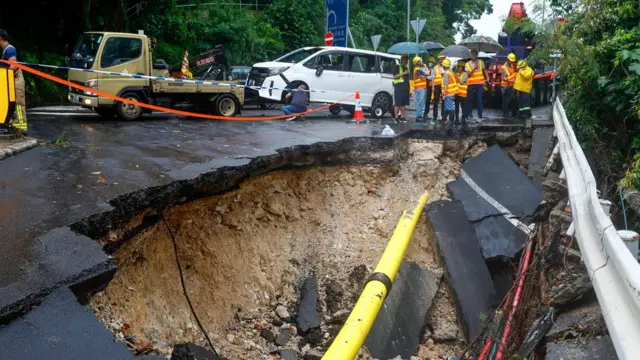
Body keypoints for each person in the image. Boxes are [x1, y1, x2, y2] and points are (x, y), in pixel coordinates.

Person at [0, 29, 27, 135]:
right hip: (10, 81)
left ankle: (21, 128)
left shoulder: (10, 49)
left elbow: (14, 65)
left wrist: (5, 74)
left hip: (16, 80)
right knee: (11, 104)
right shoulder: (5, 50)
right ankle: (14, 126)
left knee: (19, 104)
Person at [464, 49, 489, 123]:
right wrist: (474, 68)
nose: (473, 55)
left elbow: (485, 70)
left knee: (479, 100)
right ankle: (468, 114)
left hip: (480, 84)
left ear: (477, 54)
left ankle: (480, 116)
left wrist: (487, 78)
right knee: (469, 100)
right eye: (472, 54)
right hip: (471, 84)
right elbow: (468, 74)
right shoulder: (467, 64)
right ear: (470, 55)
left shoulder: (481, 62)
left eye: (474, 54)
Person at [393, 55, 410, 122]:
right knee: (398, 103)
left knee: (403, 103)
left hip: (405, 88)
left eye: (407, 60)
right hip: (399, 88)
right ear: (402, 60)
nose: (406, 61)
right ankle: (396, 117)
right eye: (405, 60)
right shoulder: (397, 67)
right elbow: (395, 76)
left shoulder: (406, 68)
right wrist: (403, 73)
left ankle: (402, 117)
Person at [441, 58, 459, 124]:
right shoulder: (450, 72)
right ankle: (443, 120)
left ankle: (451, 121)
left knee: (450, 107)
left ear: (444, 66)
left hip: (449, 93)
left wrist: (444, 94)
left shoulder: (446, 73)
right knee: (447, 107)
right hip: (452, 93)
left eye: (443, 65)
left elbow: (445, 85)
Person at [501, 53, 518, 118]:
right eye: (512, 61)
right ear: (508, 60)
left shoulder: (512, 65)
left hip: (512, 86)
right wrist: (510, 80)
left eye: (513, 61)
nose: (513, 62)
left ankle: (514, 114)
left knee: (513, 100)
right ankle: (505, 114)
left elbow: (514, 73)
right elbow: (503, 78)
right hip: (506, 86)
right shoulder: (503, 68)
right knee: (506, 101)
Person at [430, 55, 446, 121]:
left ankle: (443, 115)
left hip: (443, 86)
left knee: (443, 100)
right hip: (436, 85)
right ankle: (435, 116)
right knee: (435, 100)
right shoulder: (435, 67)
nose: (441, 60)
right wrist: (433, 86)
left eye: (443, 59)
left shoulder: (445, 68)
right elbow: (432, 77)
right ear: (438, 60)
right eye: (440, 59)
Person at [412, 56, 428, 122]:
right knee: (420, 102)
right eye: (420, 60)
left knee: (421, 102)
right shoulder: (418, 69)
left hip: (420, 88)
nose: (422, 61)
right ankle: (418, 116)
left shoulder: (419, 69)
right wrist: (425, 67)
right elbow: (427, 73)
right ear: (418, 62)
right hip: (419, 88)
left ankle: (419, 115)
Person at [455, 60, 468, 124]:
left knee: (463, 107)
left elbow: (462, 82)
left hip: (463, 94)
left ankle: (463, 119)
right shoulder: (457, 74)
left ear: (463, 67)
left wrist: (457, 76)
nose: (458, 68)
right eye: (458, 67)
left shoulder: (465, 74)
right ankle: (456, 118)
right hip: (457, 93)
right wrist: (456, 76)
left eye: (460, 67)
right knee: (456, 107)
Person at [423, 56, 436, 121]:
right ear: (428, 62)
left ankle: (426, 114)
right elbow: (426, 76)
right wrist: (429, 76)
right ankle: (423, 113)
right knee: (424, 100)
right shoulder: (425, 67)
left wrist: (433, 87)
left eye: (432, 63)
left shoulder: (433, 69)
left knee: (428, 101)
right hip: (424, 86)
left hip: (430, 86)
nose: (431, 63)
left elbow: (433, 78)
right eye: (430, 62)